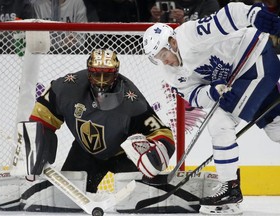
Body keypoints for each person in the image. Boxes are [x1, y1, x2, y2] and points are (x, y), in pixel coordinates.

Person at [143, 1, 280, 215]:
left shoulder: (189, 35)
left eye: (163, 55)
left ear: (172, 42)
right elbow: (193, 95)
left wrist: (253, 14)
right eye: (158, 59)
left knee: (218, 122)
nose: (165, 62)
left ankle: (230, 189)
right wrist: (212, 93)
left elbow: (228, 15)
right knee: (277, 130)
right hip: (240, 82)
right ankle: (231, 191)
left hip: (256, 60)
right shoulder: (170, 72)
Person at [28, 48, 175, 193]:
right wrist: (34, 147)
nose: (102, 81)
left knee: (140, 196)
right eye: (97, 74)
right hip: (84, 152)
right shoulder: (67, 88)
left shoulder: (133, 101)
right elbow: (40, 117)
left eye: (108, 75)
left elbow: (162, 133)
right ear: (89, 72)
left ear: (116, 74)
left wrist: (155, 153)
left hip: (123, 154)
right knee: (65, 198)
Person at [32, 0, 97, 51]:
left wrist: (73, 42)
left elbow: (81, 39)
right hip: (45, 55)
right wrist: (62, 45)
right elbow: (36, 41)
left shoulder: (77, 3)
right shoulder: (38, 5)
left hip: (72, 54)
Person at [149, 0, 220, 23]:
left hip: (198, 49)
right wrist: (156, 18)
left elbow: (208, 32)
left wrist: (183, 21)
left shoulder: (209, 3)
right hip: (168, 47)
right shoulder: (166, 2)